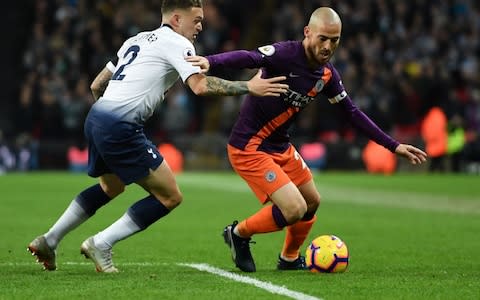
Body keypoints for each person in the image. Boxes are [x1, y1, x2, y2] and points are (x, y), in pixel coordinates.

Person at [27, 0, 288, 273]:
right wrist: (250, 87)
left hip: (96, 117)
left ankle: (50, 239)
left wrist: (109, 112)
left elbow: (97, 84)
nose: (200, 25)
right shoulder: (178, 43)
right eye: (196, 19)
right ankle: (101, 243)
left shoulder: (135, 39)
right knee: (170, 196)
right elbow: (200, 87)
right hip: (120, 127)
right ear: (176, 19)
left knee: (111, 187)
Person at [187, 7, 427, 272]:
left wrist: (394, 145)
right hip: (249, 146)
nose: (328, 46)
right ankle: (238, 233)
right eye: (322, 38)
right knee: (294, 209)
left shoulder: (327, 75)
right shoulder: (286, 54)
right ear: (307, 32)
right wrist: (211, 61)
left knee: (312, 202)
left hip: (280, 146)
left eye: (334, 40)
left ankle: (289, 259)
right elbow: (250, 56)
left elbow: (352, 113)